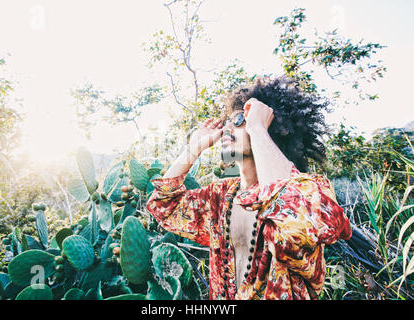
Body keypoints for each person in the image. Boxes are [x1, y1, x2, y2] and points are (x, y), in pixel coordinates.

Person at [146, 76, 352, 300]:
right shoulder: (220, 197)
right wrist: (193, 148)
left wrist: (257, 129)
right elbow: (163, 206)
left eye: (238, 120)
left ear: (270, 127)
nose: (226, 129)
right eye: (226, 122)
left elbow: (297, 227)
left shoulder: (310, 191)